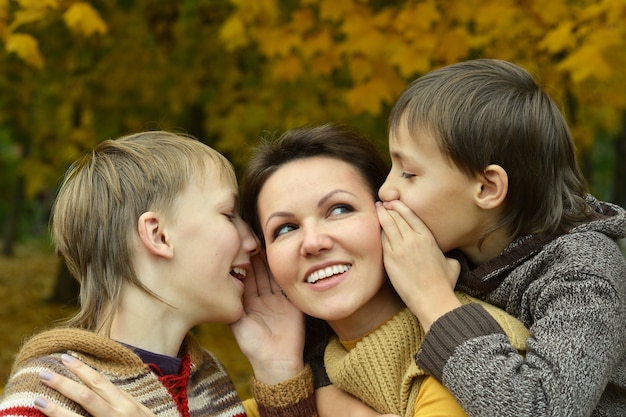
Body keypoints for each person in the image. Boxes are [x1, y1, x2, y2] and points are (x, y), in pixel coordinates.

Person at [21, 124, 529, 417]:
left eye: (339, 209)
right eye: (281, 229)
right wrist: (281, 376)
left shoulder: (477, 358)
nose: (311, 242)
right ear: (157, 236)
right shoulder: (60, 387)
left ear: (390, 214)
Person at [0, 131, 317, 417]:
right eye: (228, 215)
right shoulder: (51, 390)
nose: (252, 241)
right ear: (159, 235)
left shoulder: (210, 383)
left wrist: (279, 374)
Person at [375, 58, 626, 416]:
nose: (386, 190)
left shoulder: (585, 273)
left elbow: (540, 410)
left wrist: (433, 300)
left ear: (487, 187)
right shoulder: (449, 250)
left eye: (409, 173)